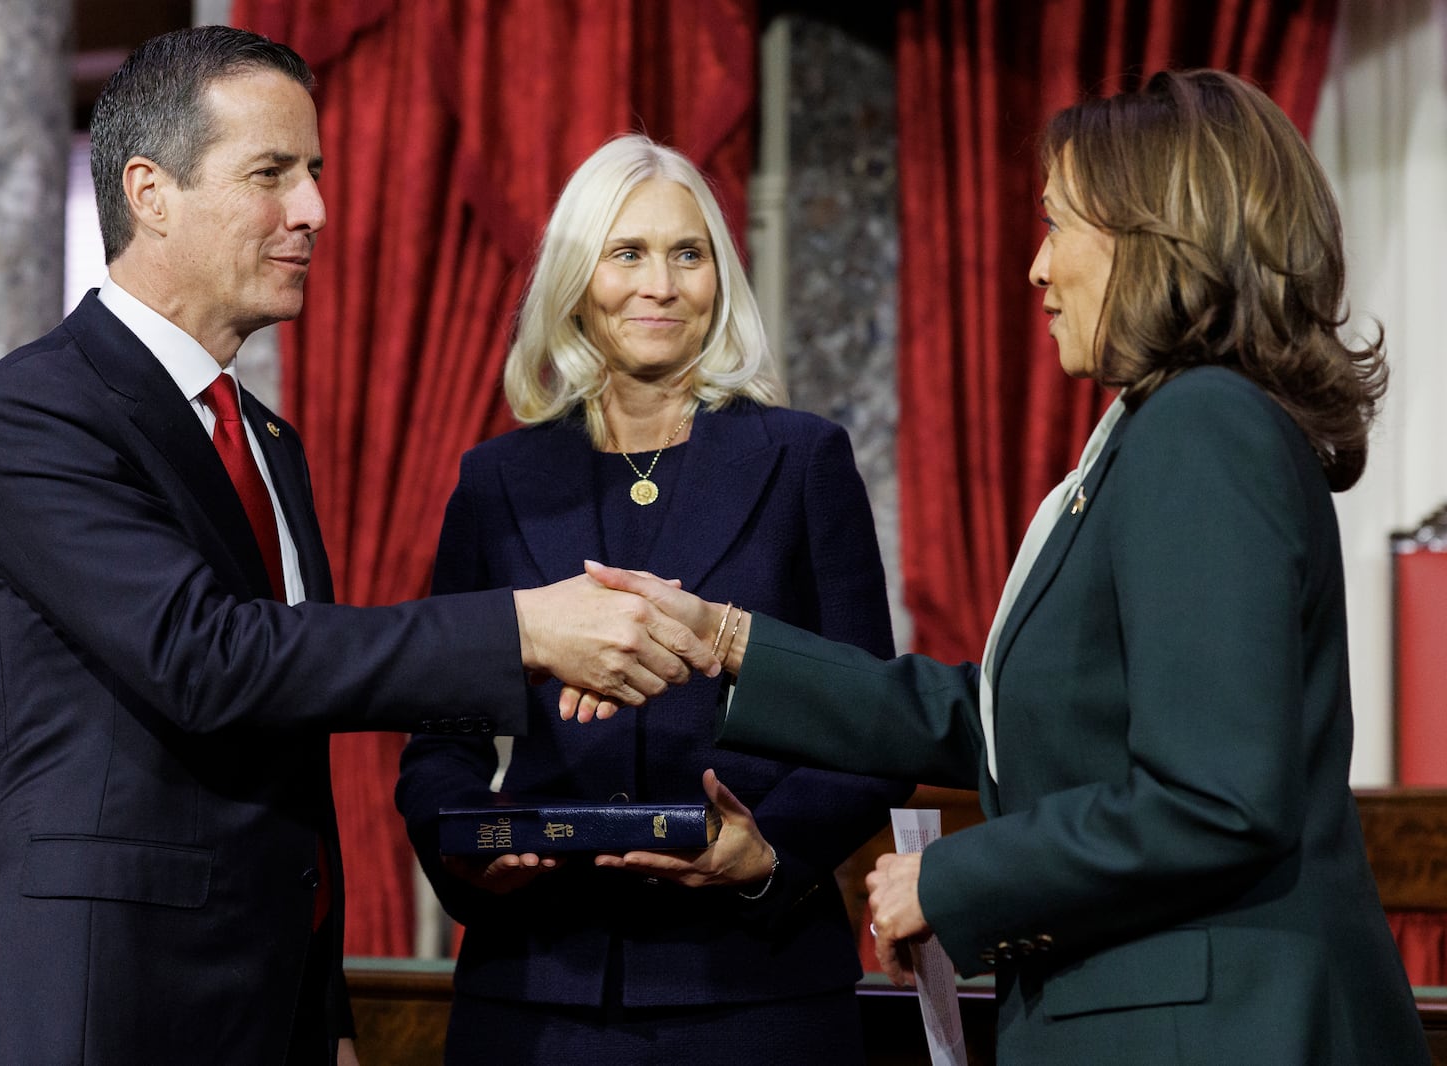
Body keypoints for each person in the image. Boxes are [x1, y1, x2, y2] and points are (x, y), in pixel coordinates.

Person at [587, 71, 1432, 1065]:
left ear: (1154, 236)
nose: (1035, 268)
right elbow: (999, 716)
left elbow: (1214, 799)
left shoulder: (1201, 428)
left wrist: (950, 882)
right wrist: (723, 641)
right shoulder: (1165, 429)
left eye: (1056, 225)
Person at [0, 28, 712, 1066]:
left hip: (269, 1010)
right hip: (98, 998)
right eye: (272, 175)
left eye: (315, 174)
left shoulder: (265, 442)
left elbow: (287, 737)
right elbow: (207, 660)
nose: (315, 210)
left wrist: (322, 1007)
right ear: (150, 192)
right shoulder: (37, 408)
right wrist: (521, 627)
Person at [394, 134, 911, 1065]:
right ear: (575, 279)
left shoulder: (804, 462)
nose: (660, 285)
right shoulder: (494, 480)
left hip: (758, 984)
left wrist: (767, 854)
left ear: (721, 276)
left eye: (689, 253)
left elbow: (872, 723)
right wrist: (469, 848)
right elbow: (442, 741)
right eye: (626, 253)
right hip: (535, 988)